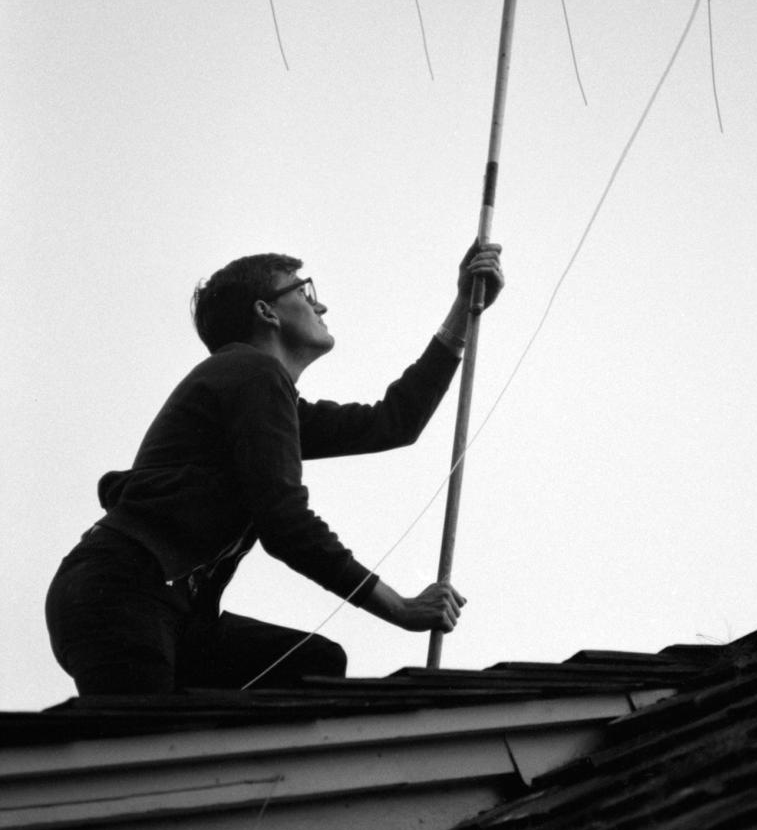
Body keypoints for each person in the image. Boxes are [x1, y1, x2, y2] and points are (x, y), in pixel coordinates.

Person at [45, 241, 504, 695]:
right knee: (139, 759)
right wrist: (399, 607)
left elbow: (393, 423)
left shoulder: (259, 392)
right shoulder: (252, 374)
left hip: (170, 612)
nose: (320, 303)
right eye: (304, 292)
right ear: (267, 312)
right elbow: (285, 524)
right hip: (121, 593)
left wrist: (464, 307)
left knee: (313, 664)